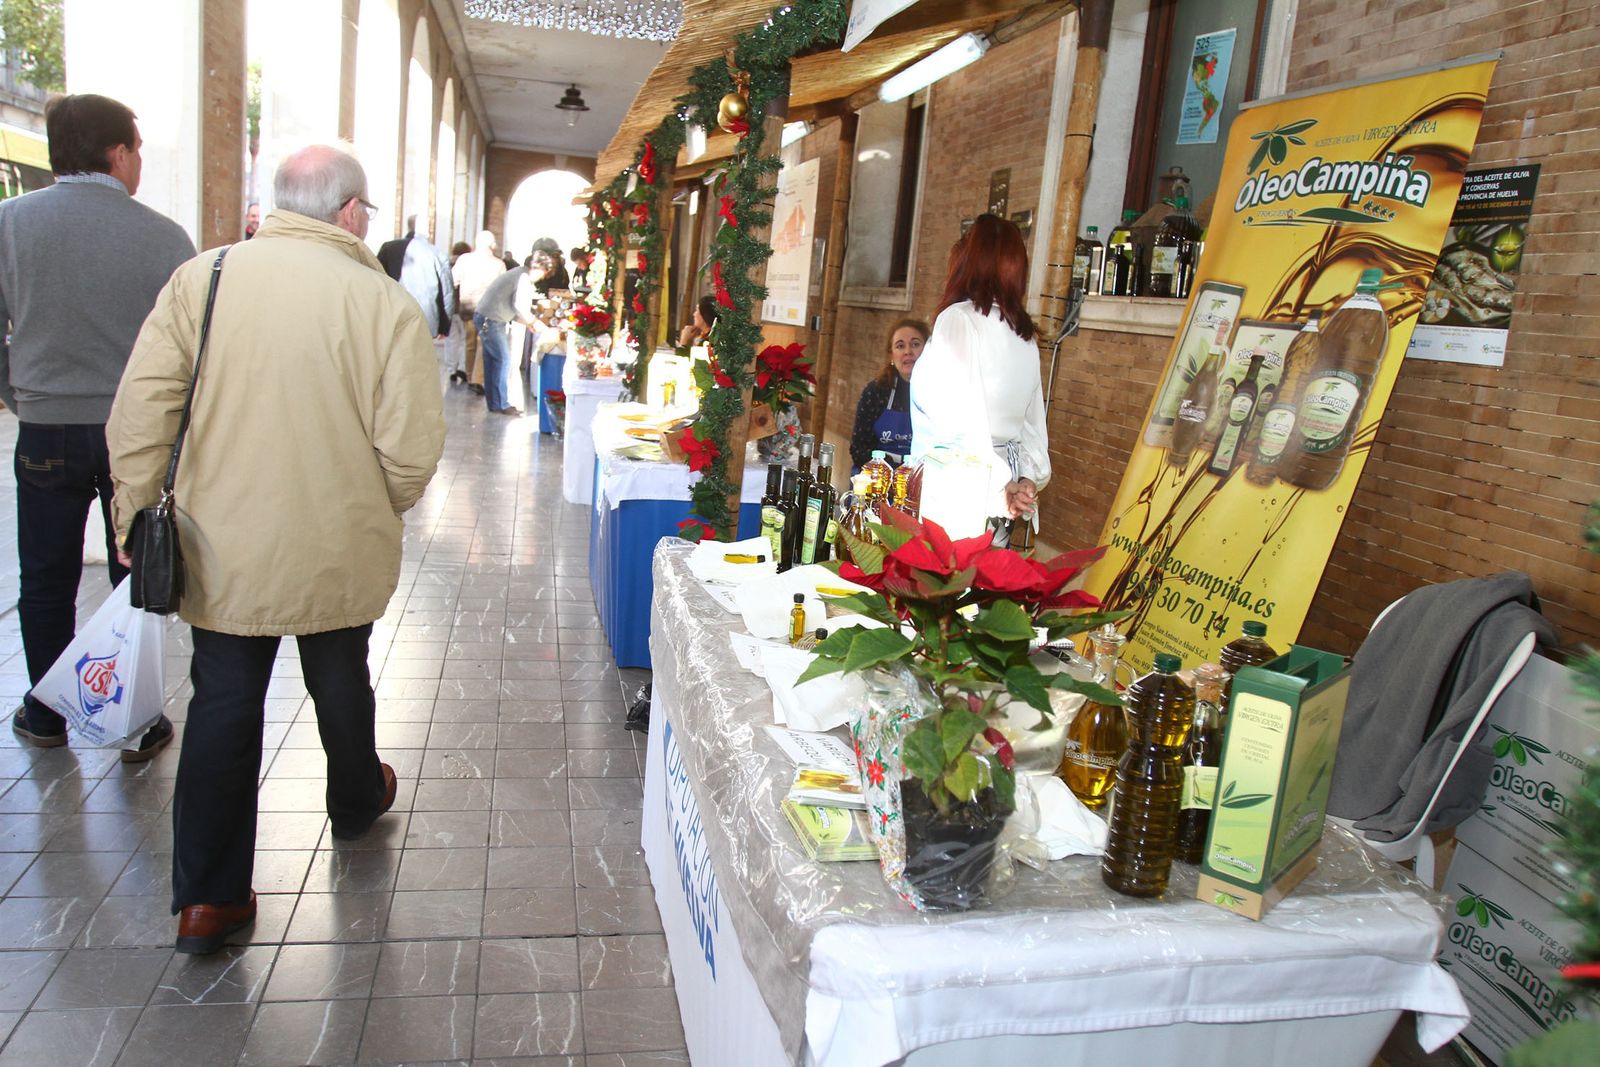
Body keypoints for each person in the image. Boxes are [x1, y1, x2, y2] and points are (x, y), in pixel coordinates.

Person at [107, 143, 445, 954]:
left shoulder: (206, 277)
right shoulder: (384, 303)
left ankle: (209, 897)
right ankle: (355, 799)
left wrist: (132, 514)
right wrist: (375, 504)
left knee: (223, 703)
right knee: (340, 675)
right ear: (350, 211)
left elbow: (143, 409)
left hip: (221, 539)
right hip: (337, 538)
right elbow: (410, 450)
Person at [0, 92, 195, 760]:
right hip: (133, 438)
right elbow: (188, 351)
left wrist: (21, 394)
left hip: (45, 429)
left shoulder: (10, 223)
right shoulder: (165, 237)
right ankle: (136, 722)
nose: (139, 162)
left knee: (45, 577)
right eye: (137, 150)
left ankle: (45, 711)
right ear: (117, 154)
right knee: (134, 573)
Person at [910, 213, 1050, 543]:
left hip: (958, 486)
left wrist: (1002, 484)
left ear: (968, 259)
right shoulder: (1024, 334)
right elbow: (1033, 424)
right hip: (1003, 484)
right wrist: (1026, 479)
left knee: (946, 573)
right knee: (987, 572)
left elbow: (961, 417)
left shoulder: (958, 320)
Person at [849, 317, 928, 473]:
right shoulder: (876, 392)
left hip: (919, 478)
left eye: (915, 344)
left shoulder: (939, 394)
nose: (908, 351)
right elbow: (858, 448)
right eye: (900, 346)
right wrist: (892, 472)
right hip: (877, 478)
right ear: (891, 355)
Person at [474, 258, 539, 417]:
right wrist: (533, 321)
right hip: (492, 319)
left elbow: (510, 306)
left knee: (492, 361)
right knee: (503, 360)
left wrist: (527, 323)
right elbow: (520, 306)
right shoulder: (523, 277)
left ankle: (494, 403)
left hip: (487, 316)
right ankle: (502, 403)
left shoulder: (517, 273)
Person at [379, 214, 455, 339]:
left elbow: (378, 281)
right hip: (426, 319)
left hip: (394, 316)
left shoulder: (388, 248)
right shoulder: (437, 254)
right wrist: (445, 326)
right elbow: (447, 292)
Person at [453, 229, 507, 396]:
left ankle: (469, 375)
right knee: (482, 343)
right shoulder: (498, 264)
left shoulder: (464, 259)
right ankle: (477, 380)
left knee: (470, 341)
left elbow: (453, 280)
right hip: (487, 309)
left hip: (467, 307)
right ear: (492, 244)